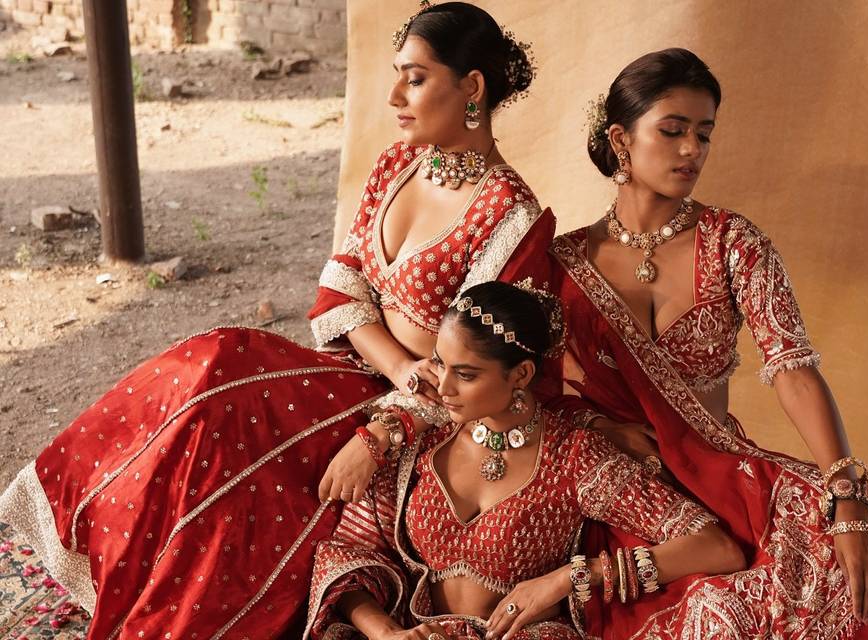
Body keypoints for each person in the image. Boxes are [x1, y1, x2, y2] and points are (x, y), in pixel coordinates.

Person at [0, 3, 554, 638]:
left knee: (238, 437)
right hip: (368, 373)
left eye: (417, 78)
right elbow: (338, 292)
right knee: (216, 363)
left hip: (427, 421)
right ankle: (113, 554)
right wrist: (400, 365)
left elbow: (479, 373)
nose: (395, 95)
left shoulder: (511, 217)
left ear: (472, 87)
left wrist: (378, 434)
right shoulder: (395, 166)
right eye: (396, 74)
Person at [544, 48, 868, 638]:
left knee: (850, 563)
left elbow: (792, 368)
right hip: (617, 494)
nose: (693, 150)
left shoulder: (733, 243)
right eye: (673, 130)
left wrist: (845, 490)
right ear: (620, 140)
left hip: (724, 479)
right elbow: (532, 393)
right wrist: (603, 432)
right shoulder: (564, 263)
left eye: (704, 134)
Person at [304, 281, 746, 640]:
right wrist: (384, 633)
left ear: (522, 375)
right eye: (441, 364)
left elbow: (716, 547)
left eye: (467, 374)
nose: (444, 387)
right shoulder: (424, 437)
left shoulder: (573, 458)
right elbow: (349, 552)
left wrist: (568, 579)